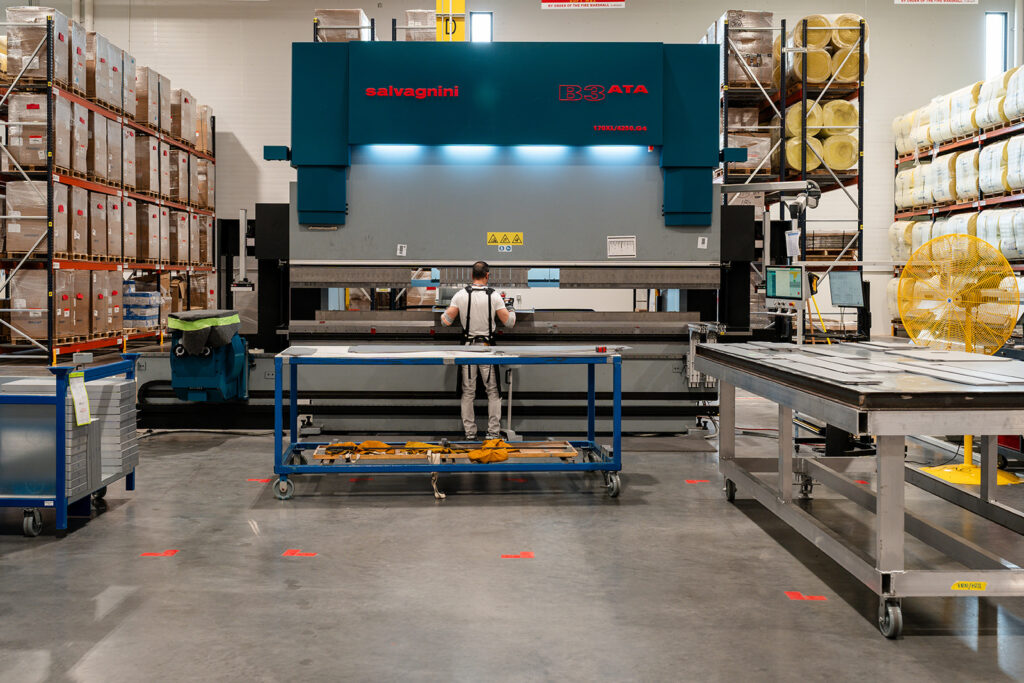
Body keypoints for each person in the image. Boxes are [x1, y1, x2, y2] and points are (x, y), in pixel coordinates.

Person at [440, 261, 516, 440]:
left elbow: (445, 321)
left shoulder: (460, 295)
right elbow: (509, 322)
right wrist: (510, 308)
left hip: (467, 349)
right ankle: (493, 433)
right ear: (487, 275)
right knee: (493, 392)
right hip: (487, 349)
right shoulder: (495, 296)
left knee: (468, 392)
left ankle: (470, 433)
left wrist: (447, 309)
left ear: (471, 275)